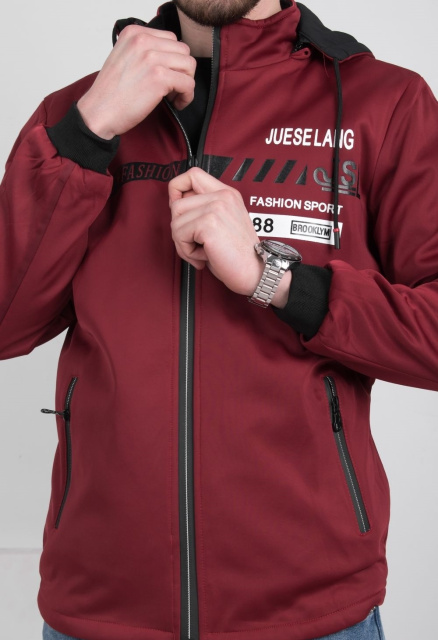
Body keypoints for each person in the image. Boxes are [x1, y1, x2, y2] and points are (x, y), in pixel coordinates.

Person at [1, 0, 437, 638]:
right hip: (100, 608)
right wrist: (87, 133)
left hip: (311, 614)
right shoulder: (76, 114)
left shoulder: (385, 104)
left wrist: (276, 278)